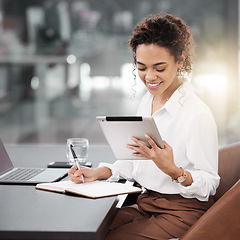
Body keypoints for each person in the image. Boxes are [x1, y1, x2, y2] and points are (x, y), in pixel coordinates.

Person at [69, 12, 220, 240]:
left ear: (180, 61)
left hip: (182, 212)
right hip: (146, 202)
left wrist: (173, 171)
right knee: (86, 230)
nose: (150, 77)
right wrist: (99, 173)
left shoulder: (196, 114)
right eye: (141, 67)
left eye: (160, 68)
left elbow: (209, 184)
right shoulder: (148, 100)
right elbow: (136, 160)